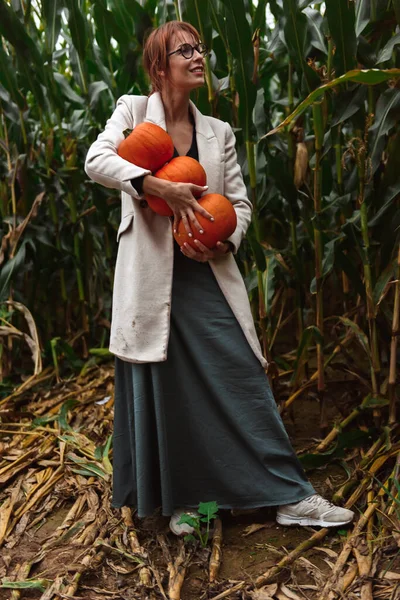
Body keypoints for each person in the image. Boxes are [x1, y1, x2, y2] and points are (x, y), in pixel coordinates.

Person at [84, 20, 354, 534]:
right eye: (184, 50)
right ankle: (195, 505)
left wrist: (225, 241)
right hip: (152, 279)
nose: (198, 55)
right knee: (172, 395)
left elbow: (241, 203)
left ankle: (291, 496)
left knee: (241, 376)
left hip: (204, 272)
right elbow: (96, 160)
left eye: (200, 47)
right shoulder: (133, 112)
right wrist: (156, 184)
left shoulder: (218, 132)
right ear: (159, 66)